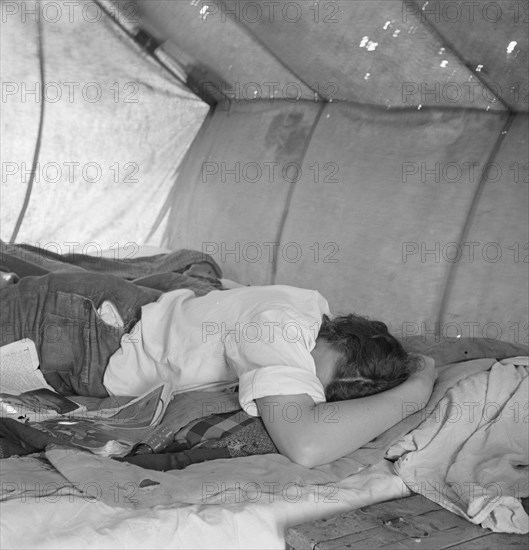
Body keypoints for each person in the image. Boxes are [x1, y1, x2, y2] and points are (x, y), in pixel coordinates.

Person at [0, 271, 435, 468]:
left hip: (97, 325)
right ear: (343, 341)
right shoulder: (281, 329)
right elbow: (306, 445)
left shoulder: (312, 314)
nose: (297, 382)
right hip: (80, 327)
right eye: (308, 376)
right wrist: (415, 391)